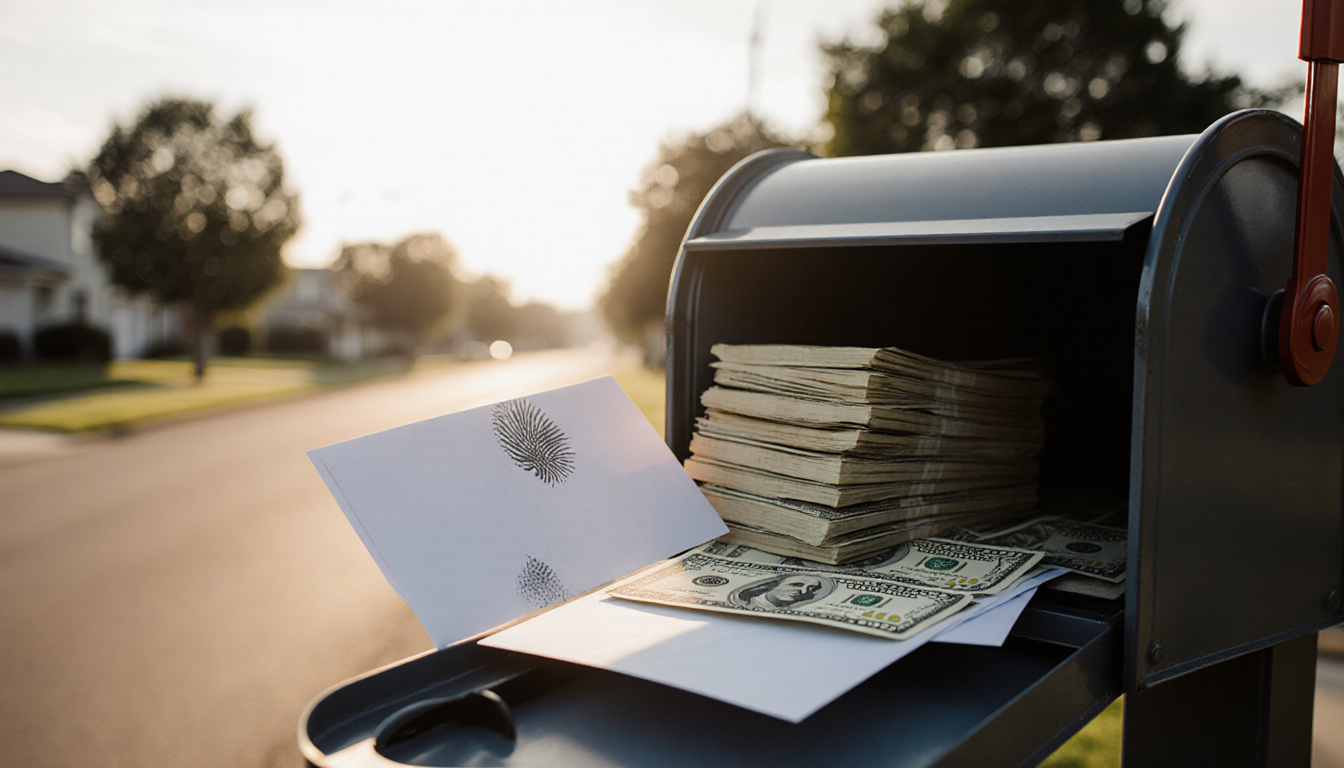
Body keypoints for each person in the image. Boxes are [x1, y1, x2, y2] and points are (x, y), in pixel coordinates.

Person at [731, 575, 832, 611]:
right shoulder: (745, 602)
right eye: (796, 585)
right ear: (773, 586)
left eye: (811, 589)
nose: (804, 591)